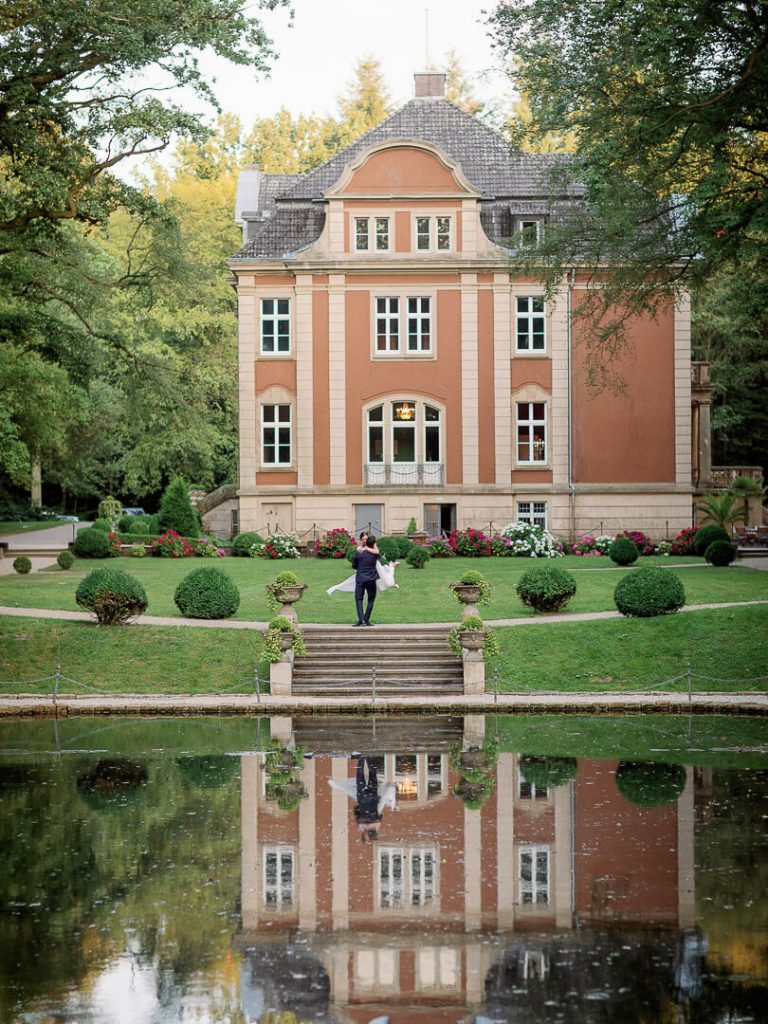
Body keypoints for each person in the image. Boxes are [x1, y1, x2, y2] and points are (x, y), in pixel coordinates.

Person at [327, 756, 396, 842]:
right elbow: (356, 810)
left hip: (373, 796)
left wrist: (386, 792)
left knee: (372, 774)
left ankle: (369, 758)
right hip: (362, 797)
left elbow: (380, 808)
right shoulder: (361, 823)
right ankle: (361, 759)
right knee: (360, 775)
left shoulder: (376, 821)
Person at [351, 534, 380, 626]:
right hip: (371, 578)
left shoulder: (359, 552)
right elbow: (379, 554)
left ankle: (361, 620)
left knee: (358, 599)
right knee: (371, 599)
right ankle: (366, 619)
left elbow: (354, 565)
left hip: (360, 578)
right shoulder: (375, 553)